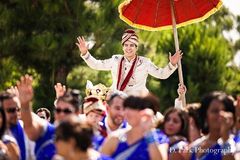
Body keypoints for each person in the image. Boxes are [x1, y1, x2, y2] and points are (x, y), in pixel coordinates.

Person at [76, 29, 182, 96]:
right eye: (126, 45)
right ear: (122, 47)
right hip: (116, 98)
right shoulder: (115, 60)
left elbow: (162, 75)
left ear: (136, 48)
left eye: (132, 45)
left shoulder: (144, 62)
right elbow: (96, 65)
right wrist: (85, 53)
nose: (128, 48)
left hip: (137, 100)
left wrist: (172, 64)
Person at [16, 75, 82, 160]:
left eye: (66, 111)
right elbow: (29, 127)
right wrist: (24, 104)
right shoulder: (48, 132)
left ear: (77, 112)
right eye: (58, 110)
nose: (61, 114)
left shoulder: (86, 139)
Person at [100, 95, 169, 160]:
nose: (126, 111)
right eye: (126, 107)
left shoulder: (159, 138)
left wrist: (149, 133)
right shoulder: (115, 138)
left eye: (133, 107)